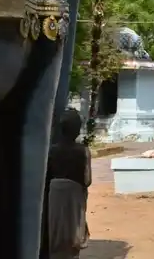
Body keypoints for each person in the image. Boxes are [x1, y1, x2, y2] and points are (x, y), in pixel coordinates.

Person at [47, 109, 91, 259]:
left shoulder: (51, 151)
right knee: (73, 234)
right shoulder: (83, 151)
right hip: (74, 197)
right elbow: (87, 180)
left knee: (55, 233)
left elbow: (46, 177)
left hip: (54, 195)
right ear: (77, 130)